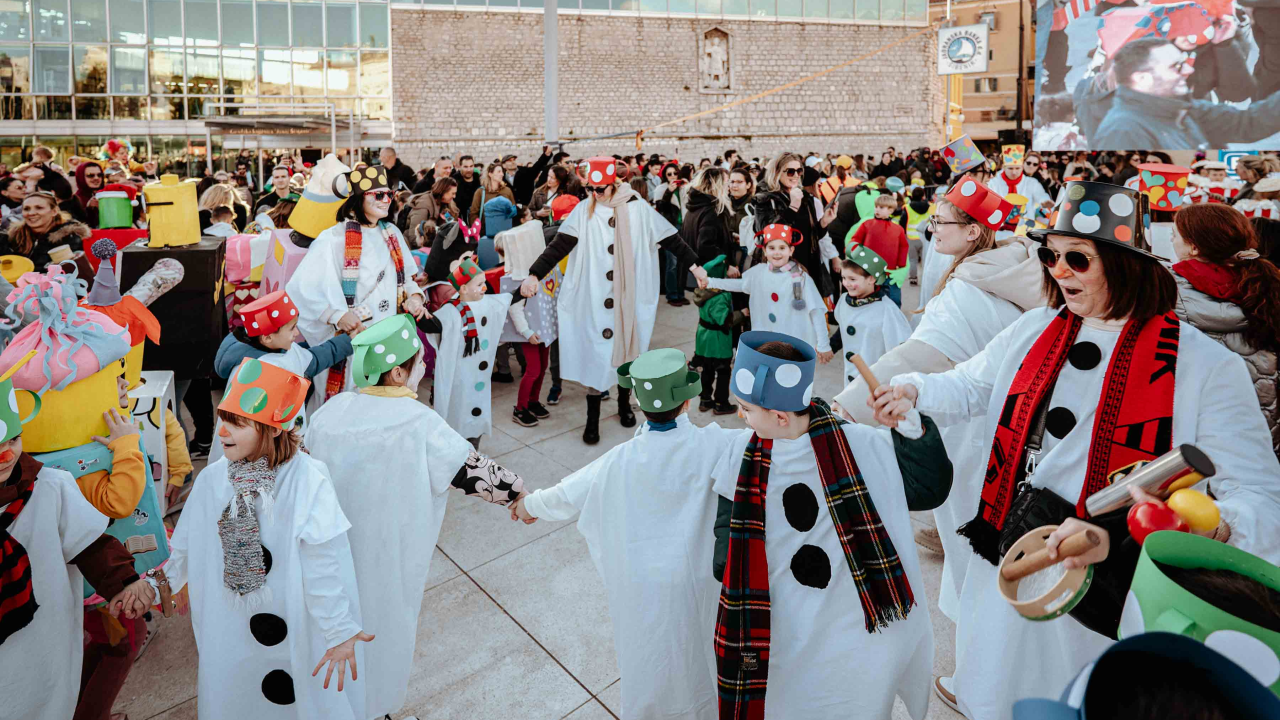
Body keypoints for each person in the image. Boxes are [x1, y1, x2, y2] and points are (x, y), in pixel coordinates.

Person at [870, 180, 1280, 720]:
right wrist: (914, 390)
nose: (1058, 271)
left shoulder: (1206, 367)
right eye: (1051, 256)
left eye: (1077, 260)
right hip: (1017, 554)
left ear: (1124, 263)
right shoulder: (1035, 328)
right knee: (998, 693)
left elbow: (1257, 492)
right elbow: (973, 384)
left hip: (1116, 583)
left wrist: (1209, 526)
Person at [834, 176, 1042, 711]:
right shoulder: (1019, 261)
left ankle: (977, 678)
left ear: (973, 232)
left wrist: (846, 407)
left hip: (970, 436)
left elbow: (919, 357)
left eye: (942, 223)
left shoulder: (970, 289)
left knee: (974, 557)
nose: (931, 229)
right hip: (1014, 433)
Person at [710, 332, 951, 720]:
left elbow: (928, 488)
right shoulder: (742, 451)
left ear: (780, 416)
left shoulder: (856, 445)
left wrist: (910, 430)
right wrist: (728, 556)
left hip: (852, 620)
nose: (741, 416)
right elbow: (727, 509)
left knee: (852, 699)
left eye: (746, 409)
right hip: (783, 619)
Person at [306, 314, 527, 720]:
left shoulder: (330, 412)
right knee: (383, 631)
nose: (424, 369)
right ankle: (377, 709)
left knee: (331, 631)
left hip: (330, 557)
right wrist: (518, 495)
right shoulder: (418, 422)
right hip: (388, 557)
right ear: (396, 373)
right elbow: (471, 471)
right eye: (418, 364)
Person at [510, 349, 740, 720]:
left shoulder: (618, 460)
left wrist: (527, 506)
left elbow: (566, 493)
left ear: (637, 400)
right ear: (688, 400)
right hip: (702, 580)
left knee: (654, 662)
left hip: (644, 587)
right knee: (704, 657)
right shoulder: (720, 444)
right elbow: (773, 440)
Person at [142, 359, 373, 719]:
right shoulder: (213, 480)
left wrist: (338, 630)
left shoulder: (308, 480)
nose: (221, 432)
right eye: (222, 419)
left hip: (295, 624)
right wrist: (155, 588)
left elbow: (323, 565)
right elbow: (186, 549)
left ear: (273, 428)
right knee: (240, 698)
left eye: (237, 423)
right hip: (231, 626)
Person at [0, 355, 151, 720]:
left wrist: (124, 583)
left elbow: (92, 543)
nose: (7, 454)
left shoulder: (49, 488)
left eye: (14, 438)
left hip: (40, 646)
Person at [519, 157, 707, 444]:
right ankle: (592, 419)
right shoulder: (585, 210)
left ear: (614, 184)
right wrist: (535, 274)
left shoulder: (637, 208)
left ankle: (622, 405)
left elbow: (670, 238)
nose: (595, 194)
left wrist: (695, 266)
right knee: (597, 356)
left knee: (626, 355)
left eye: (600, 189)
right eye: (591, 189)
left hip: (629, 297)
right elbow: (560, 244)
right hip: (593, 298)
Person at [288, 165, 426, 398]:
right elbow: (301, 289)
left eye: (389, 195)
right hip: (354, 340)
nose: (386, 200)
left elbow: (406, 279)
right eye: (379, 195)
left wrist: (414, 297)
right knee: (350, 400)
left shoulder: (392, 232)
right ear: (359, 199)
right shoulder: (333, 238)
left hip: (389, 339)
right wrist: (337, 316)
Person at [1170, 204, 1280, 456]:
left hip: (1199, 437)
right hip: (1263, 432)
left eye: (1175, 236)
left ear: (1194, 247)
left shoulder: (1163, 290)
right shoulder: (1266, 283)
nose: (1173, 242)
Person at [212, 289, 355, 459]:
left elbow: (312, 360)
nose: (296, 333)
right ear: (267, 338)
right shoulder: (266, 372)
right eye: (292, 328)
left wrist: (348, 341)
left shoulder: (277, 348)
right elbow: (253, 433)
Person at [1092, 37, 1280, 150]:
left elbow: (1248, 124)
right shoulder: (1123, 131)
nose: (1188, 71)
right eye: (1176, 67)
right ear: (1142, 78)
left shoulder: (1183, 106)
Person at [705, 223, 832, 362]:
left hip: (794, 345)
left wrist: (823, 344)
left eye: (782, 248)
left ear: (791, 250)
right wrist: (710, 282)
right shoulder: (757, 272)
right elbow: (739, 284)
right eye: (772, 248)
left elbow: (816, 311)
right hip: (766, 344)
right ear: (764, 251)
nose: (777, 253)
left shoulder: (801, 278)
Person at [422, 260, 513, 448]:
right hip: (460, 380)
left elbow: (509, 299)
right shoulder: (449, 312)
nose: (485, 287)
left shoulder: (488, 303)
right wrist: (413, 310)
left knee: (476, 419)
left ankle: (473, 455)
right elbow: (431, 325)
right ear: (463, 288)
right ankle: (458, 457)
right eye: (479, 284)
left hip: (479, 378)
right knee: (459, 415)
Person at [495, 222, 559, 428]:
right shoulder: (516, 279)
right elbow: (515, 309)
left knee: (541, 370)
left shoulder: (539, 272)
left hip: (543, 330)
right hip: (530, 333)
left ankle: (533, 401)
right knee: (533, 370)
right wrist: (527, 331)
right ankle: (520, 407)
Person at [750, 152, 837, 297]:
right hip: (782, 267)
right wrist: (793, 208)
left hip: (808, 265)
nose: (796, 175)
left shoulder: (805, 197)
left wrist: (823, 222)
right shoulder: (765, 199)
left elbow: (811, 236)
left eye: (799, 171)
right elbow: (766, 232)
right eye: (790, 171)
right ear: (777, 172)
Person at [834, 252, 911, 386]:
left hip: (876, 381)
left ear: (871, 279)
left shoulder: (887, 310)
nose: (846, 283)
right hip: (850, 379)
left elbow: (901, 349)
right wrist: (831, 346)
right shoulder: (844, 301)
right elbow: (844, 327)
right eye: (844, 278)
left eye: (852, 279)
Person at [692, 255, 737, 414]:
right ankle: (721, 403)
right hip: (718, 341)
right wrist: (742, 314)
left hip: (704, 339)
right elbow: (724, 319)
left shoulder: (702, 291)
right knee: (724, 371)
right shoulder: (719, 295)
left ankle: (705, 400)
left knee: (707, 370)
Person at [0, 191, 91, 268]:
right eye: (26, 209)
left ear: (54, 211)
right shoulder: (14, 236)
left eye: (39, 208)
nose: (31, 213)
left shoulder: (69, 236)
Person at [849, 194, 911, 306]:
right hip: (868, 271)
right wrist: (856, 256)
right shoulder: (866, 224)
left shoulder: (898, 229)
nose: (877, 209)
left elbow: (903, 247)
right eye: (876, 206)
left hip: (890, 272)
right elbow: (855, 240)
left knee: (894, 299)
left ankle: (893, 318)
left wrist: (900, 265)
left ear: (891, 210)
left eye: (881, 207)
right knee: (869, 298)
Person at [987, 146, 1053, 235]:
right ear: (1003, 167)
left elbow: (1041, 196)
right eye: (1010, 168)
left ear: (1022, 167)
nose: (1014, 172)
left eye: (1017, 168)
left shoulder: (1031, 182)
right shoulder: (993, 182)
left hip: (1025, 230)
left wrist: (1045, 202)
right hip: (999, 230)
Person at [681, 166, 736, 265]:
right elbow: (705, 246)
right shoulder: (713, 210)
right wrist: (726, 265)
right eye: (727, 182)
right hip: (709, 272)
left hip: (693, 269)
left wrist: (728, 235)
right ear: (716, 185)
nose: (729, 186)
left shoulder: (694, 206)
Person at [402, 177, 460, 247]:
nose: (454, 196)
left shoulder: (445, 205)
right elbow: (413, 236)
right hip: (416, 248)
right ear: (443, 192)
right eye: (452, 193)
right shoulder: (423, 205)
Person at [470, 162, 516, 238]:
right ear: (490, 174)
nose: (502, 174)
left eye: (502, 171)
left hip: (505, 232)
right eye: (499, 171)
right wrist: (480, 230)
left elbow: (513, 210)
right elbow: (473, 213)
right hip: (486, 233)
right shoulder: (480, 192)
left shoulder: (507, 190)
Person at [69, 161, 105, 226]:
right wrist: (89, 209)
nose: (96, 178)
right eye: (90, 175)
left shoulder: (107, 195)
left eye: (100, 175)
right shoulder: (74, 200)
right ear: (81, 177)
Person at [454, 155, 481, 221]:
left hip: (477, 218)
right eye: (465, 167)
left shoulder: (478, 179)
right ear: (460, 167)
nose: (469, 170)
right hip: (460, 220)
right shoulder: (454, 181)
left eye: (471, 166)